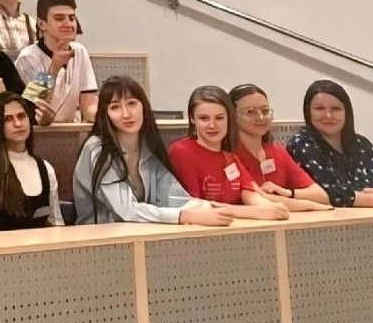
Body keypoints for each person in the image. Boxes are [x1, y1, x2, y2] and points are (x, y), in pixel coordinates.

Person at [74, 77, 232, 227]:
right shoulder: (97, 149)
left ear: (143, 106)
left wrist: (205, 207)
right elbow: (126, 210)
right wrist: (184, 216)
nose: (126, 114)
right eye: (115, 107)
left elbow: (174, 196)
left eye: (132, 103)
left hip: (138, 230)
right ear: (105, 114)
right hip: (98, 234)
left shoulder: (146, 147)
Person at [286, 80, 373, 210]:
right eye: (319, 108)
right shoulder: (301, 144)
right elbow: (332, 194)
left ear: (347, 112)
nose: (328, 115)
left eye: (336, 109)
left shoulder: (361, 143)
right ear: (308, 112)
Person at [165, 86, 290, 221]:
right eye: (204, 118)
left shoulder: (230, 157)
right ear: (192, 119)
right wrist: (254, 212)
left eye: (219, 118)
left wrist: (272, 208)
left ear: (229, 119)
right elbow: (194, 206)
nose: (212, 125)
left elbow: (251, 194)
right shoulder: (182, 151)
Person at [228, 83, 333, 212]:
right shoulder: (229, 154)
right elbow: (261, 198)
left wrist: (287, 193)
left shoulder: (277, 151)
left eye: (265, 111)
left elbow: (321, 196)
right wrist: (309, 205)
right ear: (232, 115)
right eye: (251, 112)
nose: (261, 117)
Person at [0, 92, 64, 230]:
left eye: (21, 116)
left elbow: (56, 223)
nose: (18, 124)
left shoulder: (45, 169)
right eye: (8, 119)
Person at [12, 0, 99, 124]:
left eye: (72, 18)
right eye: (59, 18)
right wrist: (54, 68)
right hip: (39, 131)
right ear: (42, 24)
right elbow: (37, 106)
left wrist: (104, 117)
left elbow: (89, 103)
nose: (68, 24)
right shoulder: (27, 57)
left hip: (71, 130)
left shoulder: (80, 51)